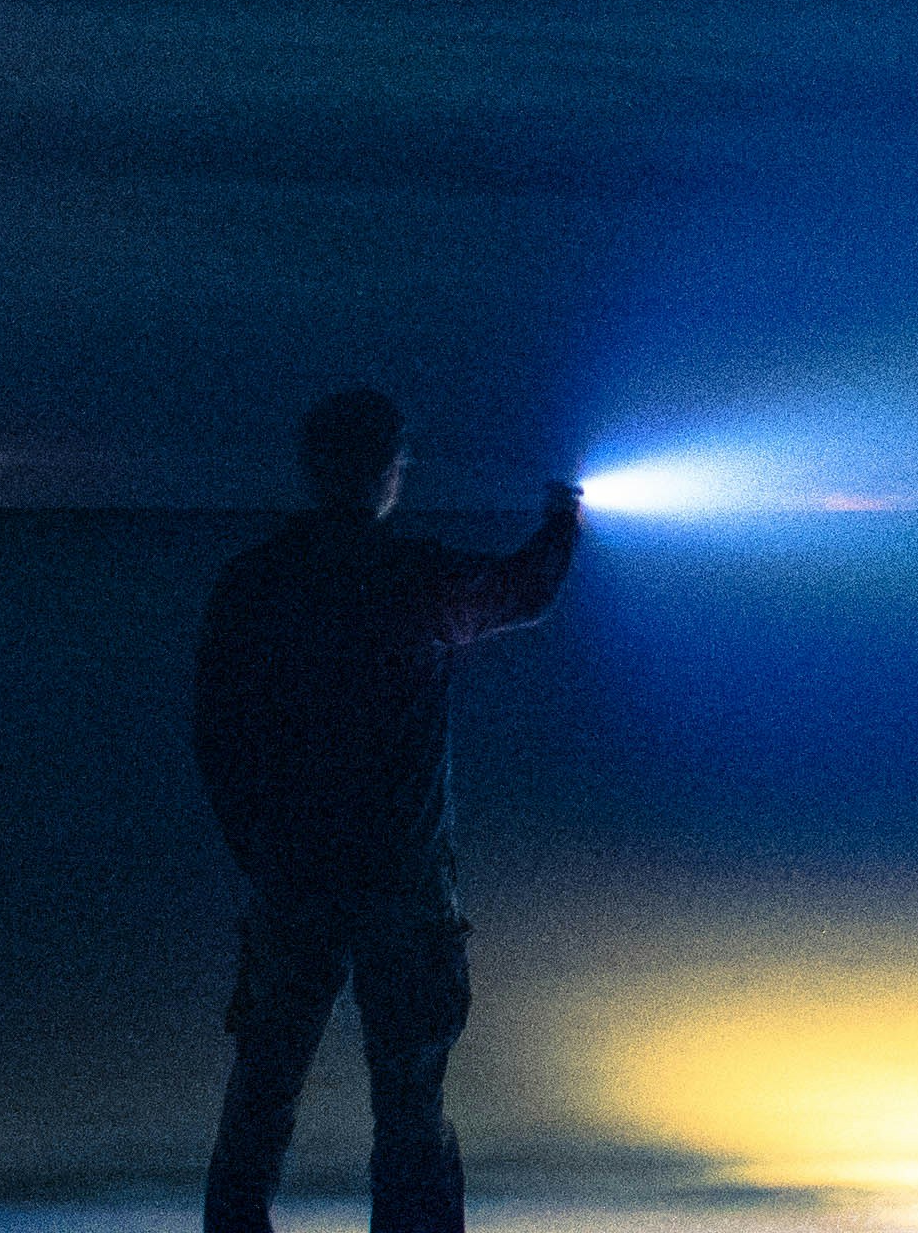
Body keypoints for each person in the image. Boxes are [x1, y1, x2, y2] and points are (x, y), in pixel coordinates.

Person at [190, 389, 581, 1233]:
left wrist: (253, 845)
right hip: (401, 883)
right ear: (386, 471)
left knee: (262, 1088)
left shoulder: (255, 583)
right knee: (409, 1097)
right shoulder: (409, 576)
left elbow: (215, 729)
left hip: (292, 876)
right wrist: (564, 516)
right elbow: (524, 590)